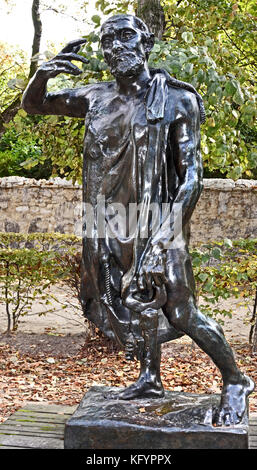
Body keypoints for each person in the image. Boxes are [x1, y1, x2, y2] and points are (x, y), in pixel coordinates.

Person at [22, 14, 254, 426]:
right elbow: (35, 104)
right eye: (108, 40)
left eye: (126, 36)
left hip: (159, 224)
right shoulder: (94, 97)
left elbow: (192, 177)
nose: (116, 46)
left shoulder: (177, 100)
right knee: (130, 304)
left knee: (181, 311)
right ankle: (150, 377)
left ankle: (236, 380)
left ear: (146, 43)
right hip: (110, 223)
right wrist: (40, 76)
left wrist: (162, 241)